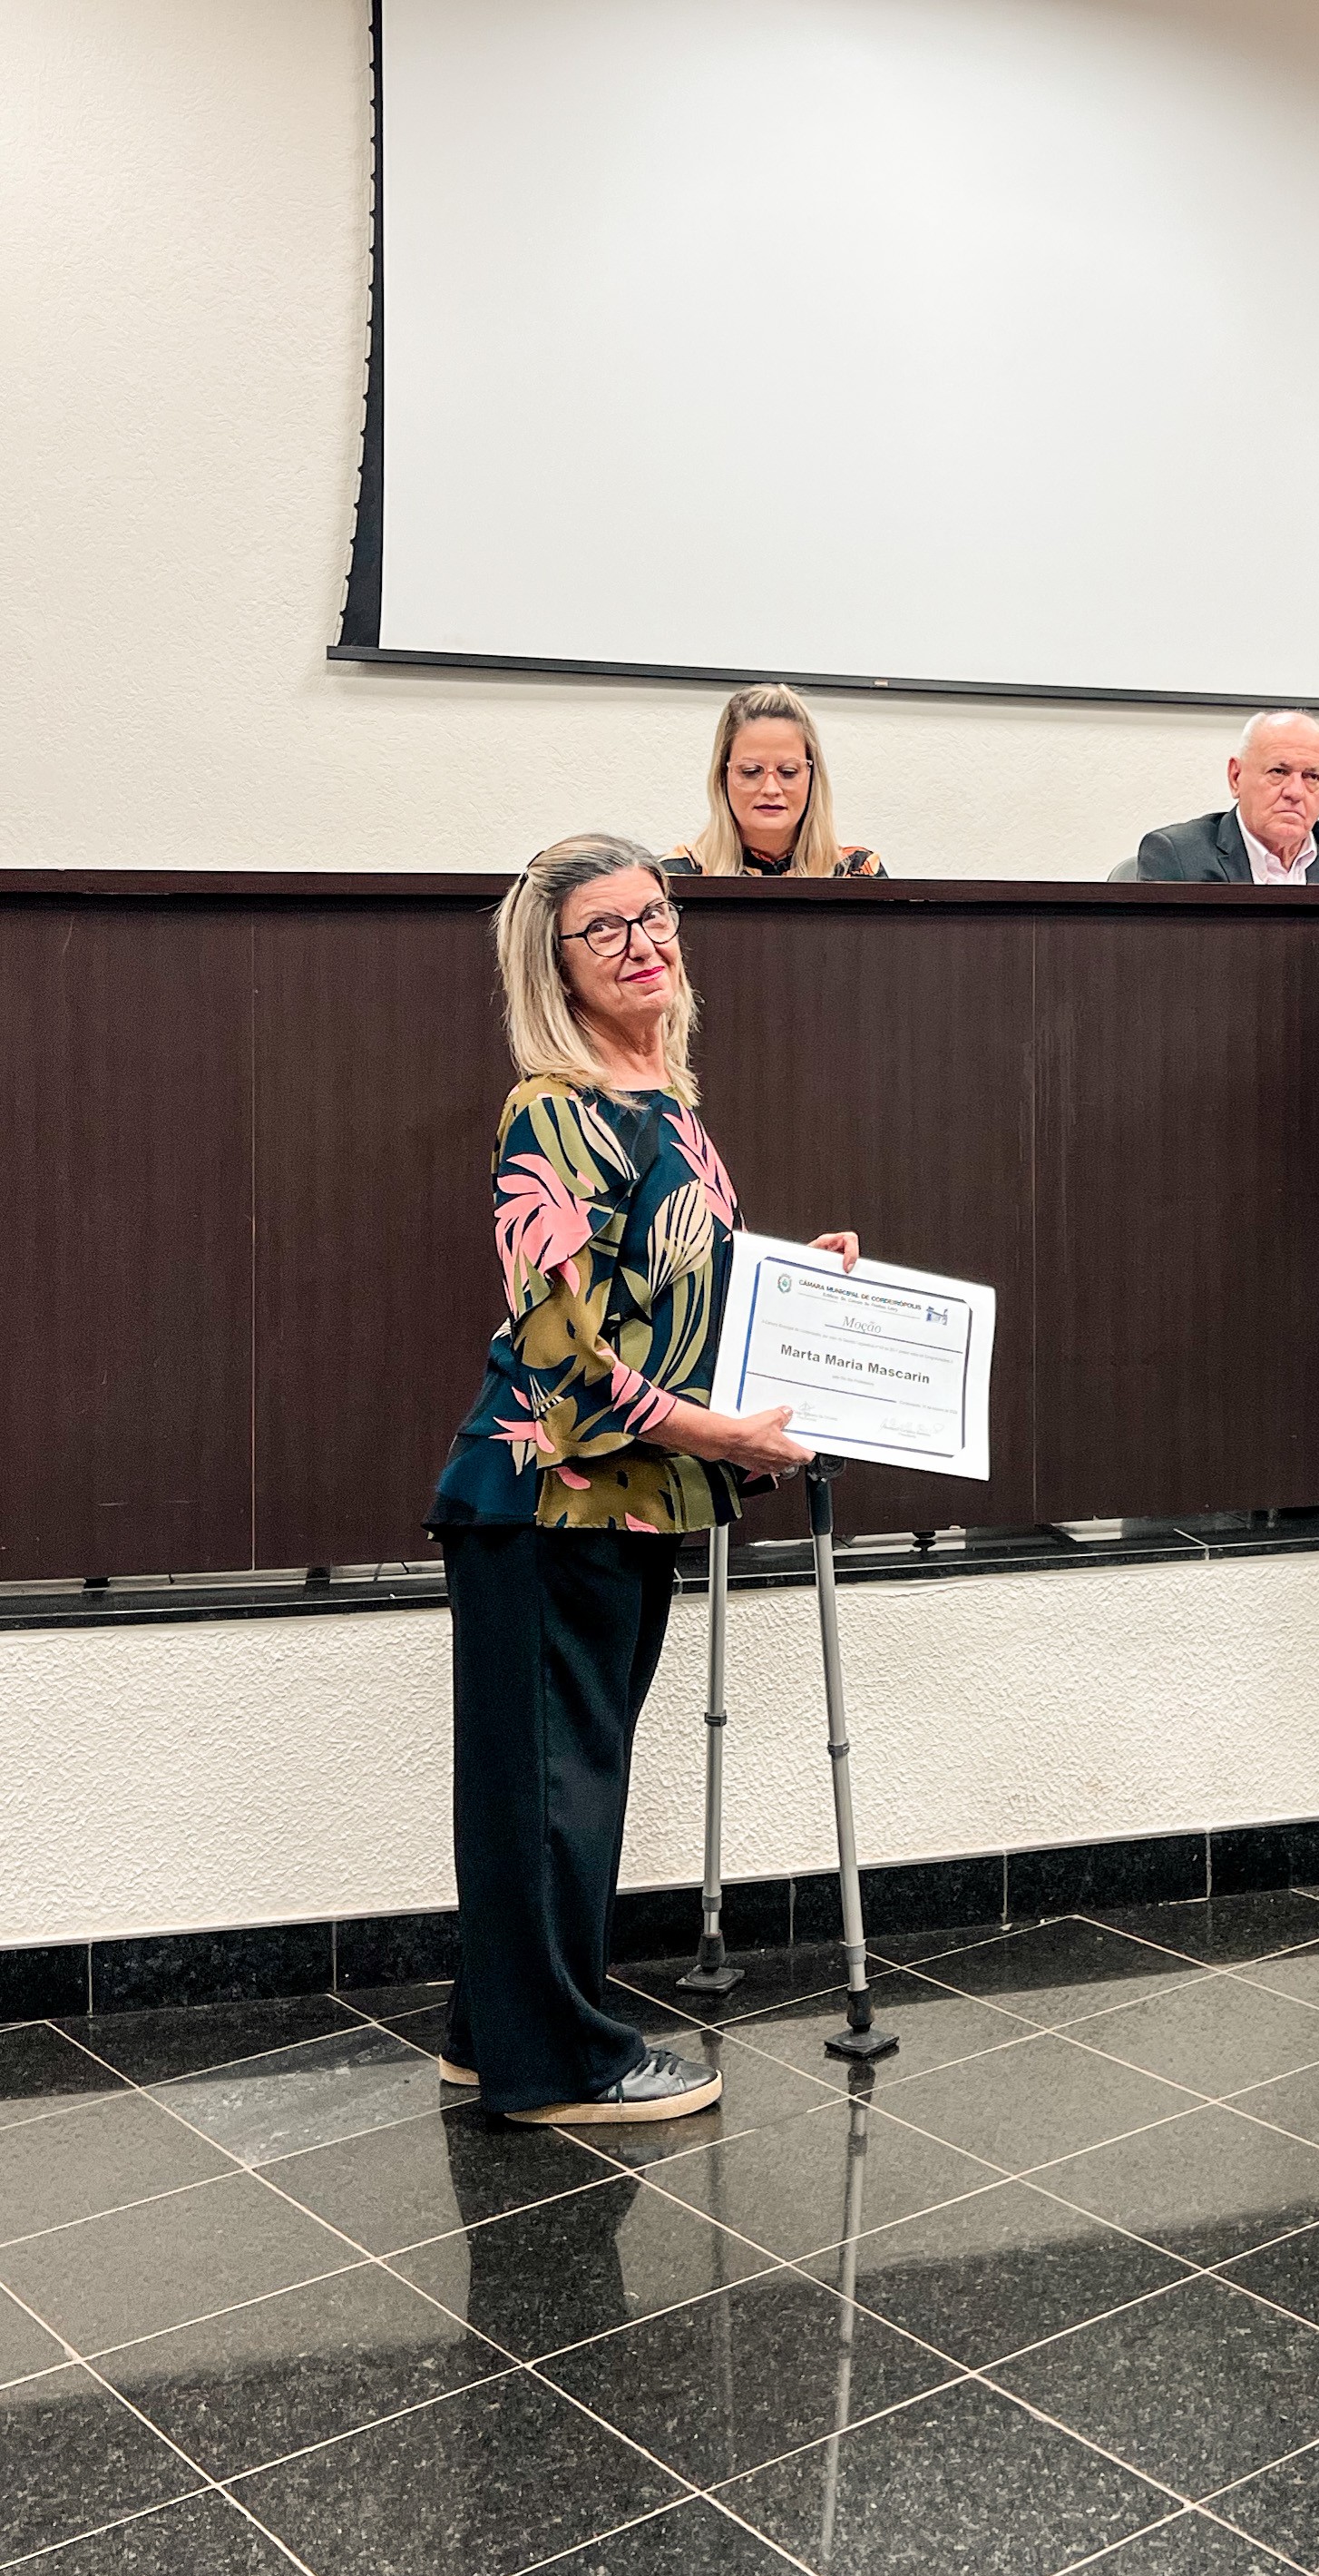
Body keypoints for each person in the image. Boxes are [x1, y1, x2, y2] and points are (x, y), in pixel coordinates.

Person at [426, 833, 859, 2124]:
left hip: (624, 1499)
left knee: (555, 1784)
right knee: (552, 1794)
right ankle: (559, 2065)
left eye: (655, 915)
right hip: (547, 1497)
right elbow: (565, 1353)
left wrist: (798, 1288)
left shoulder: (663, 1099)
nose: (642, 943)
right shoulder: (552, 1108)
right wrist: (721, 1436)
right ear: (552, 964)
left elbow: (671, 1303)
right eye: (604, 928)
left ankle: (493, 2034)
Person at [667, 682, 886, 879]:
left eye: (788, 772)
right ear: (722, 776)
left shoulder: (857, 872)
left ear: (813, 777)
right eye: (751, 771)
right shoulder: (676, 877)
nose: (771, 789)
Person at [1136, 710, 1319, 884]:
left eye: (1311, 777)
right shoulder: (1179, 856)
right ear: (1236, 777)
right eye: (1278, 772)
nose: (1295, 792)